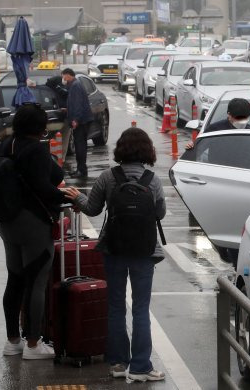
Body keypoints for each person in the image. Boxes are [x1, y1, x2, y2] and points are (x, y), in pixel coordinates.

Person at [63, 128, 166, 382]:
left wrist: (78, 197)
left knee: (116, 306)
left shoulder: (108, 177)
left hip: (113, 249)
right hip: (144, 252)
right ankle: (142, 367)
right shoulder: (152, 179)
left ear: (120, 149)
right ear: (147, 150)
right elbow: (160, 213)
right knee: (141, 309)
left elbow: (93, 208)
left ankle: (119, 364)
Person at [0, 104, 66, 359]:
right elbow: (46, 184)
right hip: (33, 222)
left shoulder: (7, 145)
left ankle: (12, 341)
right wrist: (64, 196)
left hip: (7, 222)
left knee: (14, 279)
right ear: (40, 127)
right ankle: (34, 344)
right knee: (36, 281)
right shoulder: (37, 150)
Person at [184, 98, 250, 151]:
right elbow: (198, 149)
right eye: (238, 118)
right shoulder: (215, 129)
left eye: (244, 118)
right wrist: (191, 146)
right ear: (229, 115)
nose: (241, 122)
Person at [62, 68, 93, 178]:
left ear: (69, 75)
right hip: (82, 120)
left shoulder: (75, 86)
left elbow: (78, 105)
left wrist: (76, 120)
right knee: (79, 145)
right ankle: (80, 169)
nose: (63, 79)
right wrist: (68, 110)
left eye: (64, 76)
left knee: (80, 146)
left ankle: (81, 171)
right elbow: (74, 104)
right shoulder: (74, 85)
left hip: (81, 121)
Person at [45, 75, 70, 161]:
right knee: (60, 139)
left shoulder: (71, 86)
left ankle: (59, 159)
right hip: (58, 117)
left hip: (62, 117)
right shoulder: (58, 87)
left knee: (62, 139)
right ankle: (58, 159)